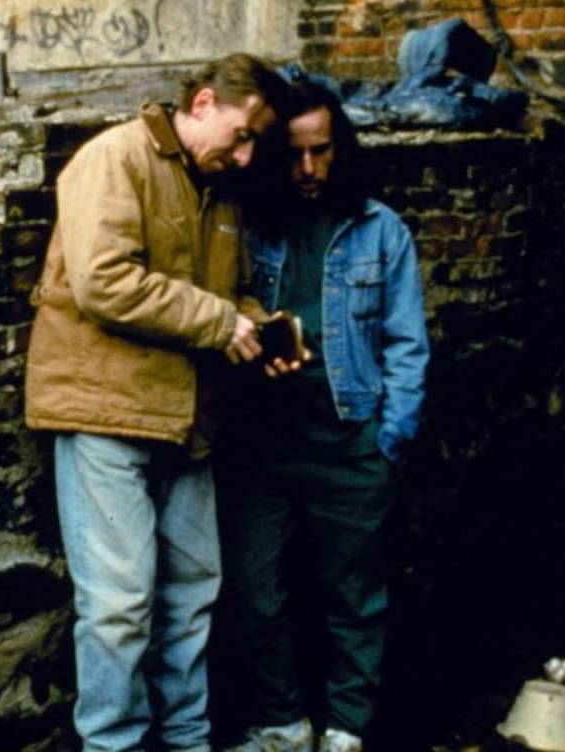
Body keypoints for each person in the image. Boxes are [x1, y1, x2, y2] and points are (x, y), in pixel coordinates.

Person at [24, 53, 290, 752]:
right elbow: (104, 282)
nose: (246, 154)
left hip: (187, 421)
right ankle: (113, 745)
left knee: (191, 597)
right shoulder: (115, 158)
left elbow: (220, 299)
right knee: (118, 607)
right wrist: (218, 322)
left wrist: (257, 327)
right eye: (242, 134)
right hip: (105, 414)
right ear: (202, 103)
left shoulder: (219, 191)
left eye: (256, 141)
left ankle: (185, 742)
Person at [219, 78, 429, 752]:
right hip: (263, 452)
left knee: (354, 602)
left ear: (342, 148)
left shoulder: (380, 231)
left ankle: (347, 730)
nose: (308, 169)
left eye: (322, 151)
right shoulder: (248, 227)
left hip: (350, 449)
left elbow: (407, 343)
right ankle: (281, 725)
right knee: (255, 597)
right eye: (293, 153)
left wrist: (388, 442)